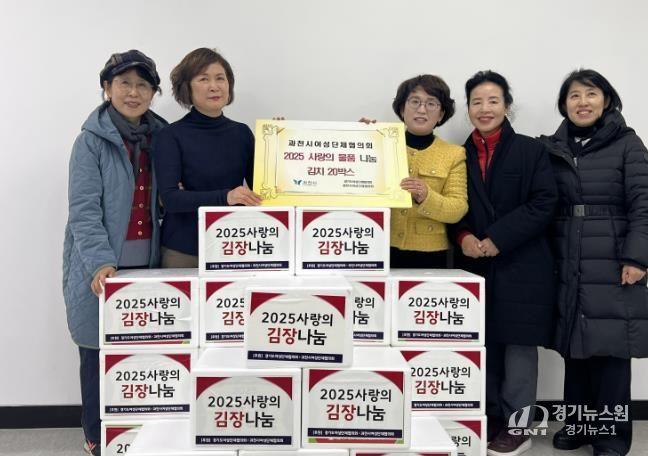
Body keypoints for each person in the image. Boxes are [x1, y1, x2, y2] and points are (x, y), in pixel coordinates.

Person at [539, 69, 648, 456]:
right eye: (574, 95)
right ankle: (580, 425)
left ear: (606, 100)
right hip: (568, 257)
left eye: (590, 94)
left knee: (611, 350)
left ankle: (612, 436)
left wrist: (638, 256)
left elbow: (644, 203)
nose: (582, 102)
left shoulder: (628, 143)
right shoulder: (553, 147)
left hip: (613, 258)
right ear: (564, 104)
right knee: (576, 348)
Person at [62, 50, 167, 455]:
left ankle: (138, 436)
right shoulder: (90, 142)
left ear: (153, 93)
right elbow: (84, 210)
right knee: (97, 354)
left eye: (143, 85)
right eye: (124, 83)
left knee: (141, 357)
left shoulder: (163, 137)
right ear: (107, 88)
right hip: (102, 267)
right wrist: (101, 263)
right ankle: (96, 436)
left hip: (151, 264)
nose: (133, 93)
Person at [450, 71, 558, 456]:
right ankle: (492, 417)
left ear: (507, 106)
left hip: (523, 263)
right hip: (476, 264)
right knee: (485, 344)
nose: (485, 109)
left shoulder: (531, 150)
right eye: (476, 102)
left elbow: (545, 202)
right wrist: (463, 237)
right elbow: (454, 207)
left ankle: (518, 426)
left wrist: (499, 238)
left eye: (493, 101)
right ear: (467, 108)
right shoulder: (458, 155)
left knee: (519, 346)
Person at [154, 48, 261, 267]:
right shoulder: (170, 135)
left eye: (220, 78)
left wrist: (277, 144)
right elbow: (171, 199)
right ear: (187, 88)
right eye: (203, 79)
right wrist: (226, 197)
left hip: (235, 246)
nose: (214, 86)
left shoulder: (242, 133)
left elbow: (263, 191)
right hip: (184, 251)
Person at [378, 74, 468, 268]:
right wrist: (363, 136)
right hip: (379, 244)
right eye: (415, 101)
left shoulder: (454, 154)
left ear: (441, 114)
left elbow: (458, 208)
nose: (421, 109)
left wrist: (427, 196)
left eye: (431, 103)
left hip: (431, 255)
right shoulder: (381, 144)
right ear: (402, 109)